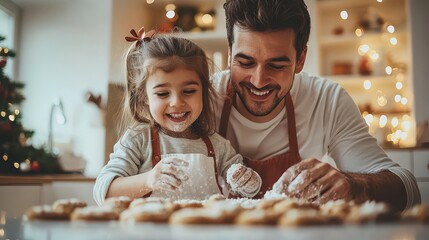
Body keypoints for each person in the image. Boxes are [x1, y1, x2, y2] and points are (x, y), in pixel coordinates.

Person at [212, 0, 420, 211]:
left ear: (300, 59)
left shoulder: (326, 100)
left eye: (276, 65)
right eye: (245, 62)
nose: (258, 81)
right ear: (230, 53)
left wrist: (354, 186)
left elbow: (409, 189)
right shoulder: (201, 99)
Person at [93, 27, 261, 206]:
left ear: (204, 92)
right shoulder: (138, 140)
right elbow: (104, 192)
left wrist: (248, 181)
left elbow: (249, 190)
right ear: (144, 96)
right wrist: (148, 180)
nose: (177, 102)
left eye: (189, 91)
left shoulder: (218, 145)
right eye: (163, 94)